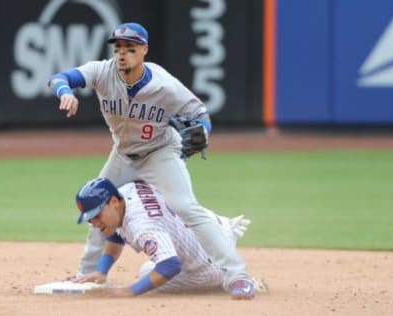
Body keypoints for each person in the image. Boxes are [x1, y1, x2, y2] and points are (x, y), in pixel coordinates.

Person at [48, 22, 255, 299]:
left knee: (186, 207)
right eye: (118, 48)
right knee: (98, 207)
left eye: (130, 48)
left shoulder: (165, 85)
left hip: (160, 152)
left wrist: (202, 130)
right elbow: (60, 77)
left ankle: (238, 276)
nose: (122, 54)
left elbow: (200, 114)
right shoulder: (102, 71)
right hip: (122, 154)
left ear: (144, 50)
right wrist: (65, 93)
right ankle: (90, 275)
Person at [72, 178, 256, 298]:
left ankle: (228, 277)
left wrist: (129, 291)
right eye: (90, 219)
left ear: (113, 202)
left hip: (210, 266)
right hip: (216, 231)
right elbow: (116, 230)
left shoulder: (141, 226)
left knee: (147, 272)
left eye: (96, 216)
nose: (95, 223)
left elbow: (170, 265)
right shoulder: (127, 190)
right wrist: (102, 271)